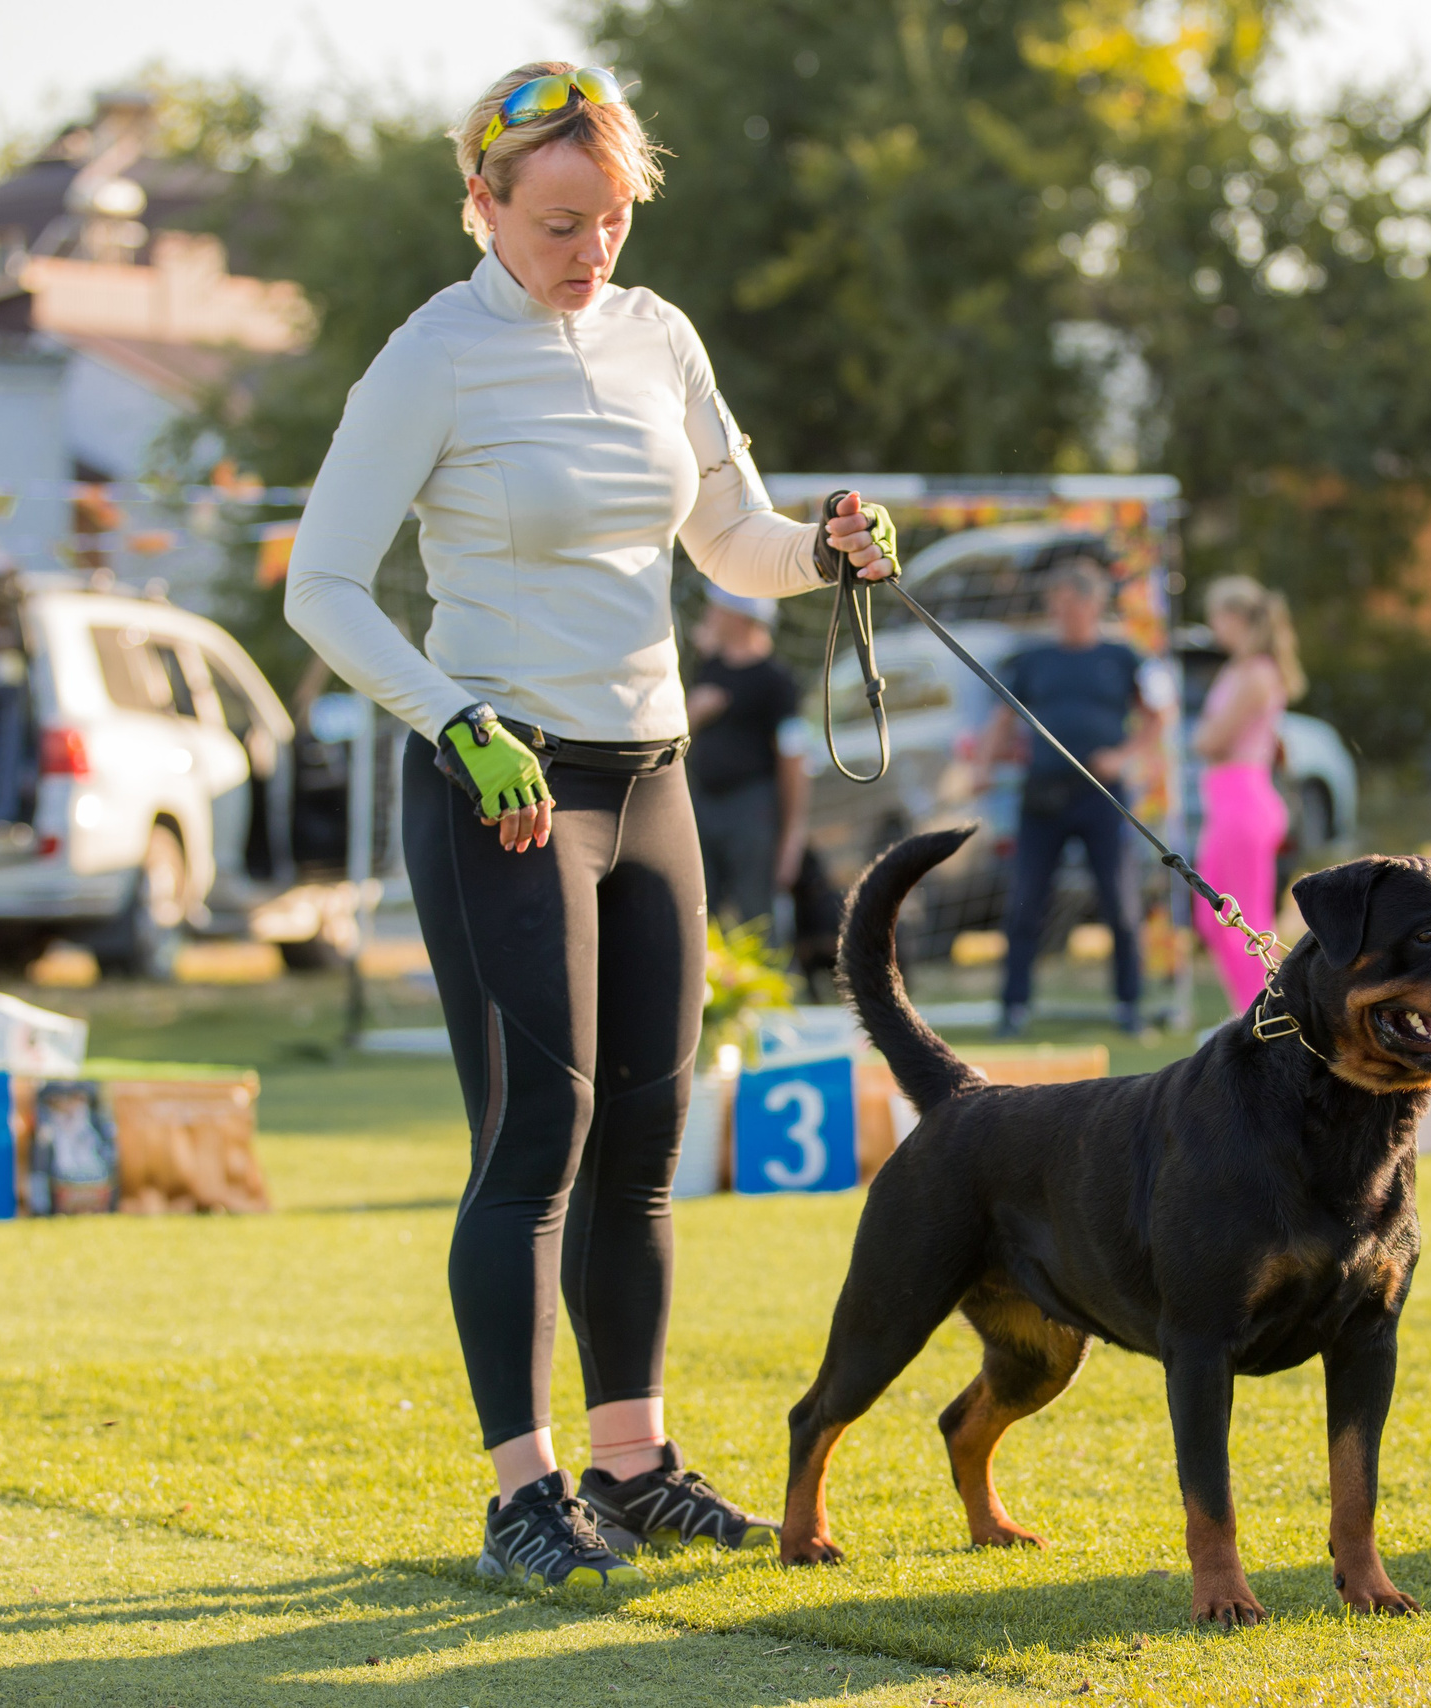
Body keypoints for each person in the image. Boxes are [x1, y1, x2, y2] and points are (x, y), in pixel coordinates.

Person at [282, 62, 899, 1592]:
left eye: (612, 219)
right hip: (505, 780)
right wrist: (453, 719)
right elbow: (323, 588)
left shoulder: (658, 336)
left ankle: (631, 1467)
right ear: (481, 205)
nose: (590, 250)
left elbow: (730, 539)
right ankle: (524, 1493)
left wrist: (825, 552)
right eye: (559, 221)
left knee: (645, 1139)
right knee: (535, 1136)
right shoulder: (429, 359)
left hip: (654, 773)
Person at [974, 558, 1168, 1036]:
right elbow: (1003, 719)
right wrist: (982, 765)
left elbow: (1156, 718)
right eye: (1055, 606)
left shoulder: (1123, 658)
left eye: (1071, 605)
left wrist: (1122, 756)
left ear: (1093, 604)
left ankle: (1129, 1006)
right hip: (1043, 797)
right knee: (1025, 900)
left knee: (1119, 904)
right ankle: (1013, 1008)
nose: (1062, 614)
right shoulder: (1034, 660)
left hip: (1103, 796)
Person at [1189, 575, 1302, 1010]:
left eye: (1217, 617)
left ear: (1234, 617)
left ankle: (1264, 1013)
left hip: (1243, 802)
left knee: (1247, 921)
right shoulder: (1238, 669)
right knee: (1212, 916)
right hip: (1226, 802)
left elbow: (1211, 740)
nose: (1213, 627)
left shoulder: (1256, 673)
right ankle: (1248, 1011)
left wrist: (1201, 734)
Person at [685, 587, 810, 931]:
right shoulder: (709, 669)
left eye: (716, 610)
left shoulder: (776, 681)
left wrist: (791, 836)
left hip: (751, 810)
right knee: (699, 907)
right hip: (705, 805)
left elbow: (794, 758)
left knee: (756, 914)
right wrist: (694, 713)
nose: (709, 616)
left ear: (736, 617)